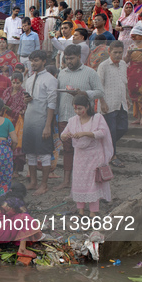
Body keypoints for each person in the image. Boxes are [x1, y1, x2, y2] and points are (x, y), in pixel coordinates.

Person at [55, 44, 105, 190]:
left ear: (79, 57)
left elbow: (100, 92)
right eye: (67, 58)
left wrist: (84, 93)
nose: (69, 61)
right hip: (64, 117)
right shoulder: (62, 73)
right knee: (67, 149)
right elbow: (57, 96)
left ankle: (86, 179)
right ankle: (66, 181)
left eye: (71, 58)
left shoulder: (90, 72)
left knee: (85, 149)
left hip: (85, 120)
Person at [61, 95, 113, 217]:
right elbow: (63, 135)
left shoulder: (97, 118)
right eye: (75, 109)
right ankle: (80, 210)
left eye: (80, 108)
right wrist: (65, 136)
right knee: (79, 182)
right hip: (79, 156)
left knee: (92, 182)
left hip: (94, 155)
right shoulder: (73, 120)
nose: (77, 112)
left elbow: (102, 133)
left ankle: (93, 211)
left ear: (87, 107)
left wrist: (85, 134)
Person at [23, 50, 57, 195]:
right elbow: (27, 99)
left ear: (44, 61)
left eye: (36, 60)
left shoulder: (50, 79)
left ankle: (44, 184)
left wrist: (47, 126)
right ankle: (33, 182)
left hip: (43, 120)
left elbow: (52, 104)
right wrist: (26, 100)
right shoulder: (29, 79)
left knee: (44, 153)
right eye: (32, 60)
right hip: (29, 120)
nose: (33, 63)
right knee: (30, 153)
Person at [0, 183, 42, 258]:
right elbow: (27, 217)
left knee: (16, 219)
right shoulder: (16, 201)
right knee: (25, 218)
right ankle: (22, 249)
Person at [98, 41, 129, 167]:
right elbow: (98, 86)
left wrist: (127, 98)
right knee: (111, 130)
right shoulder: (103, 66)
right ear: (109, 52)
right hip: (108, 104)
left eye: (120, 52)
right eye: (115, 52)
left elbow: (124, 83)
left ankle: (105, 147)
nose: (117, 55)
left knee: (123, 128)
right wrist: (103, 103)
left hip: (121, 103)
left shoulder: (123, 64)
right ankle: (112, 156)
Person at [126, 23, 142, 126]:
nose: (133, 38)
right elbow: (125, 60)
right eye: (132, 36)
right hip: (132, 72)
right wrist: (128, 54)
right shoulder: (132, 46)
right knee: (134, 93)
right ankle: (137, 117)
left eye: (135, 35)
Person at [2, 71, 27, 177]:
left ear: (21, 82)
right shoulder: (7, 91)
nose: (15, 85)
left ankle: (16, 170)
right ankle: (7, 168)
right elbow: (3, 102)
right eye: (13, 83)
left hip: (18, 120)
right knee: (6, 143)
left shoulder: (23, 93)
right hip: (6, 118)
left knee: (17, 143)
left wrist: (18, 112)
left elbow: (23, 106)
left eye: (18, 83)